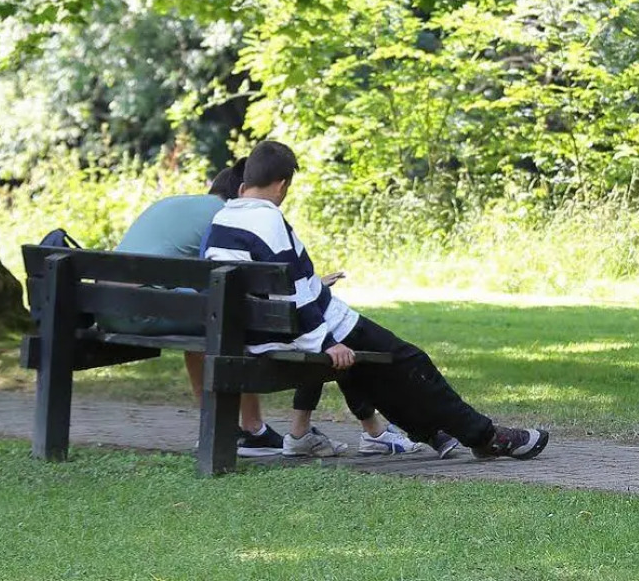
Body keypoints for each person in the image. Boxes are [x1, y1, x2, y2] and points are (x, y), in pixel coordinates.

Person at [203, 140, 549, 460]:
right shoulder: (269, 218)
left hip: (253, 333)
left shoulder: (224, 217)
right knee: (412, 362)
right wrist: (325, 342)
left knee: (369, 370)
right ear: (281, 184)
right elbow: (291, 289)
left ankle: (436, 432)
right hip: (305, 329)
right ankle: (487, 437)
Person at [105, 159, 431, 458]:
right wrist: (309, 289)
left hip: (109, 308)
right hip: (147, 312)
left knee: (226, 317)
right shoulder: (224, 216)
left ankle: (229, 426)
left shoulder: (175, 203)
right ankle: (250, 429)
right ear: (240, 193)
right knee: (247, 322)